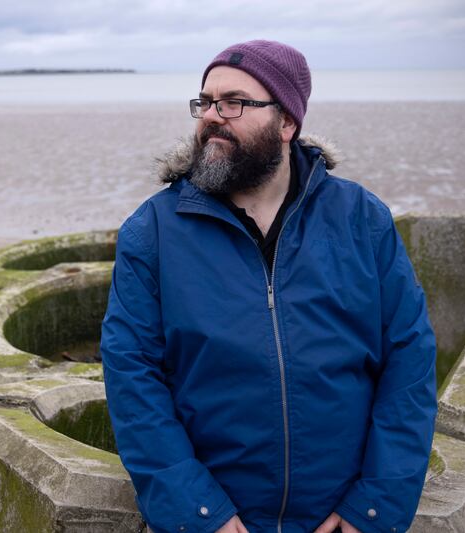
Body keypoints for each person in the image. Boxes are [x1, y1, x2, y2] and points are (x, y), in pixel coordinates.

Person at [100, 40, 437, 533]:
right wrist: (195, 511)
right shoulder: (152, 231)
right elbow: (133, 379)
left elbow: (409, 358)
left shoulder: (362, 220)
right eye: (206, 102)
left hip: (339, 515)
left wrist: (374, 505)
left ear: (287, 123)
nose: (213, 116)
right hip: (213, 518)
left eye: (235, 102)